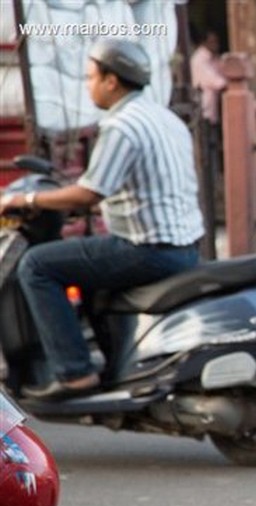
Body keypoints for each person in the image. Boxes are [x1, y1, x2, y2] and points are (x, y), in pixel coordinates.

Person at [0, 38, 204, 400]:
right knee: (84, 265)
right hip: (183, 245)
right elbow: (131, 188)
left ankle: (74, 373)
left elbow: (89, 192)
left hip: (148, 249)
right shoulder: (163, 116)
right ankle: (115, 367)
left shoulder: (122, 125)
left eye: (91, 77)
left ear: (112, 81)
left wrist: (25, 198)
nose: (88, 85)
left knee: (36, 266)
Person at [189, 28, 227, 124]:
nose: (216, 45)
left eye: (216, 42)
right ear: (204, 43)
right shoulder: (200, 59)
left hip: (212, 108)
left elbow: (223, 70)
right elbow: (218, 82)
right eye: (212, 42)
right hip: (204, 108)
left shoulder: (213, 58)